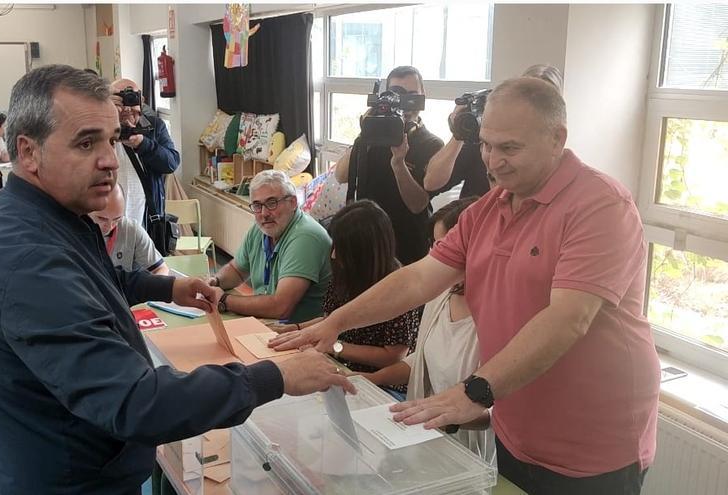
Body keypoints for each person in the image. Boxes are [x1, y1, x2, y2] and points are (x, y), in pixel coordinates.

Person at [0, 65, 354, 495]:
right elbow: (137, 402)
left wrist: (169, 286)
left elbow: (94, 280)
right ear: (28, 152)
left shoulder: (44, 216)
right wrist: (273, 376)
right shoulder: (28, 260)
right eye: (86, 142)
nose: (110, 159)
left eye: (110, 139)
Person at [272, 77, 660, 494]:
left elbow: (569, 318)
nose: (493, 161)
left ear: (557, 138)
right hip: (516, 426)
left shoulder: (599, 205)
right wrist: (336, 322)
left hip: (590, 445)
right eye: (487, 145)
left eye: (509, 148)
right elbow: (419, 278)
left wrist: (475, 390)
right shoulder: (488, 209)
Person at [359, 196, 494, 464]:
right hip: (423, 438)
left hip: (467, 453)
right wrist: (369, 380)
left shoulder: (499, 316)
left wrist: (445, 415)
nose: (437, 256)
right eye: (434, 245)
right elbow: (419, 359)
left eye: (445, 246)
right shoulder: (440, 296)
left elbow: (497, 413)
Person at [272, 199, 420, 399]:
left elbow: (393, 356)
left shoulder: (398, 288)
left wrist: (334, 346)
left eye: (341, 248)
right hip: (337, 365)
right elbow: (331, 319)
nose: (333, 255)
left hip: (380, 383)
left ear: (363, 252)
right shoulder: (346, 271)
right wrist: (299, 329)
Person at [335, 65, 445, 266]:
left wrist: (398, 163)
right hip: (368, 237)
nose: (405, 103)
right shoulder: (371, 137)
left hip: (407, 241)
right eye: (397, 94)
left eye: (411, 95)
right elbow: (341, 176)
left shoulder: (432, 143)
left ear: (422, 97)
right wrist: (365, 131)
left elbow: (418, 204)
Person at [424, 64, 564, 199]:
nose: (494, 161)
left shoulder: (559, 167)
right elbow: (431, 183)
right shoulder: (485, 140)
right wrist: (459, 132)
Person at [208, 170, 331, 323]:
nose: (264, 213)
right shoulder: (261, 229)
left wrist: (224, 300)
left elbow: (280, 307)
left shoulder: (306, 236)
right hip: (270, 325)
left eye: (272, 203)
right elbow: (236, 270)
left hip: (300, 334)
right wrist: (214, 282)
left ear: (293, 202)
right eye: (257, 205)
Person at [110, 78, 179, 249]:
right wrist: (106, 114)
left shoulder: (154, 127)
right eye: (120, 99)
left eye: (131, 98)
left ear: (141, 101)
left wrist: (143, 144)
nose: (126, 107)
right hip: (108, 221)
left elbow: (171, 162)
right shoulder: (100, 128)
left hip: (146, 220)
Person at [90, 183, 170, 275]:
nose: (109, 226)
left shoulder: (131, 230)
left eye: (116, 219)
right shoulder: (73, 231)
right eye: (102, 219)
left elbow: (161, 268)